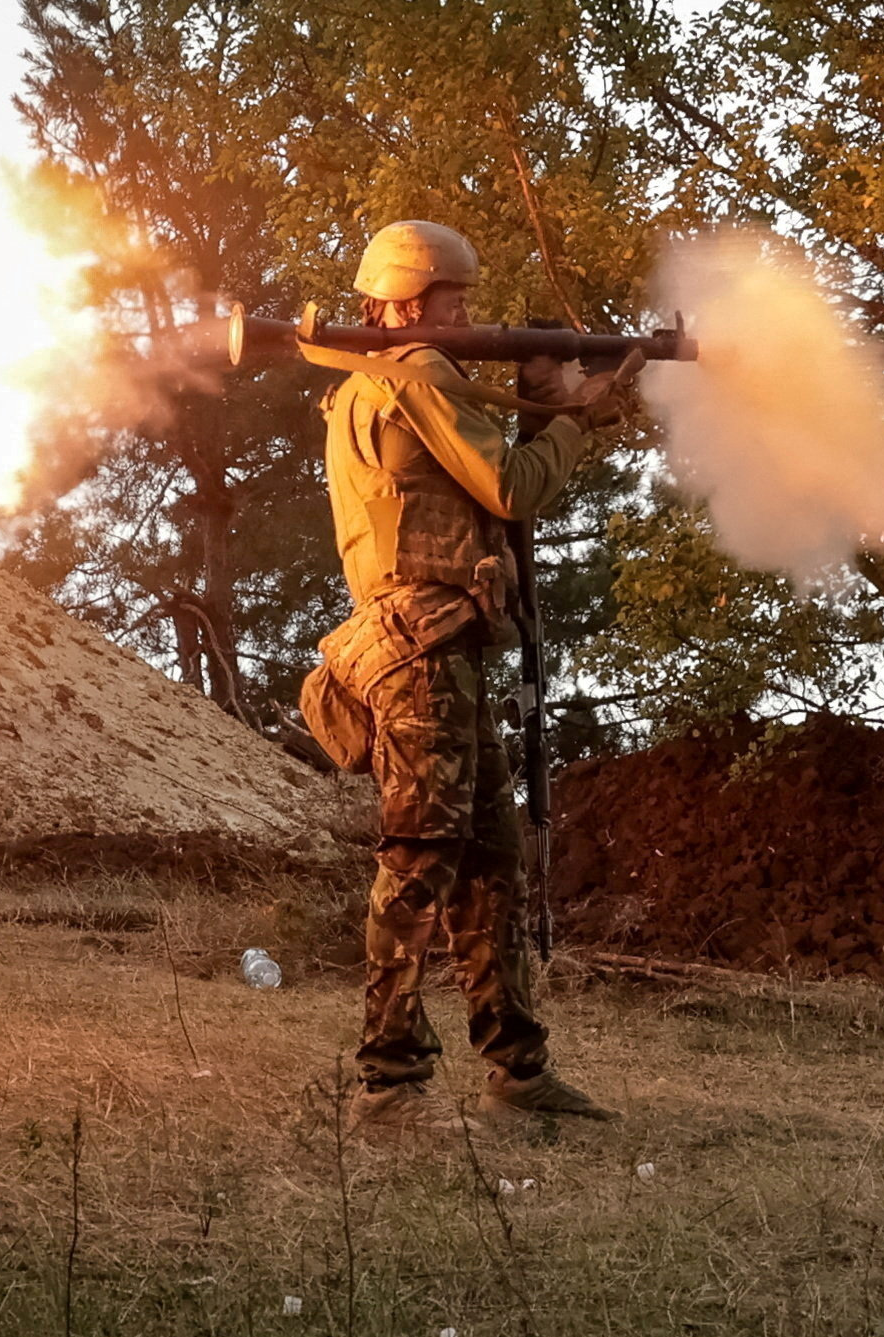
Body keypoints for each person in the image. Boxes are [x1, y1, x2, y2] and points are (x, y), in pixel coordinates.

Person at [310, 220, 621, 1131]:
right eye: (455, 299)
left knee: (488, 865)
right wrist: (575, 412)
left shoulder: (382, 379)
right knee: (420, 860)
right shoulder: (414, 375)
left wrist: (543, 402)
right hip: (421, 654)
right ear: (408, 302)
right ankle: (389, 1083)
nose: (468, 314)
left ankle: (516, 1072)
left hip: (438, 649)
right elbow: (515, 490)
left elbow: (489, 483)